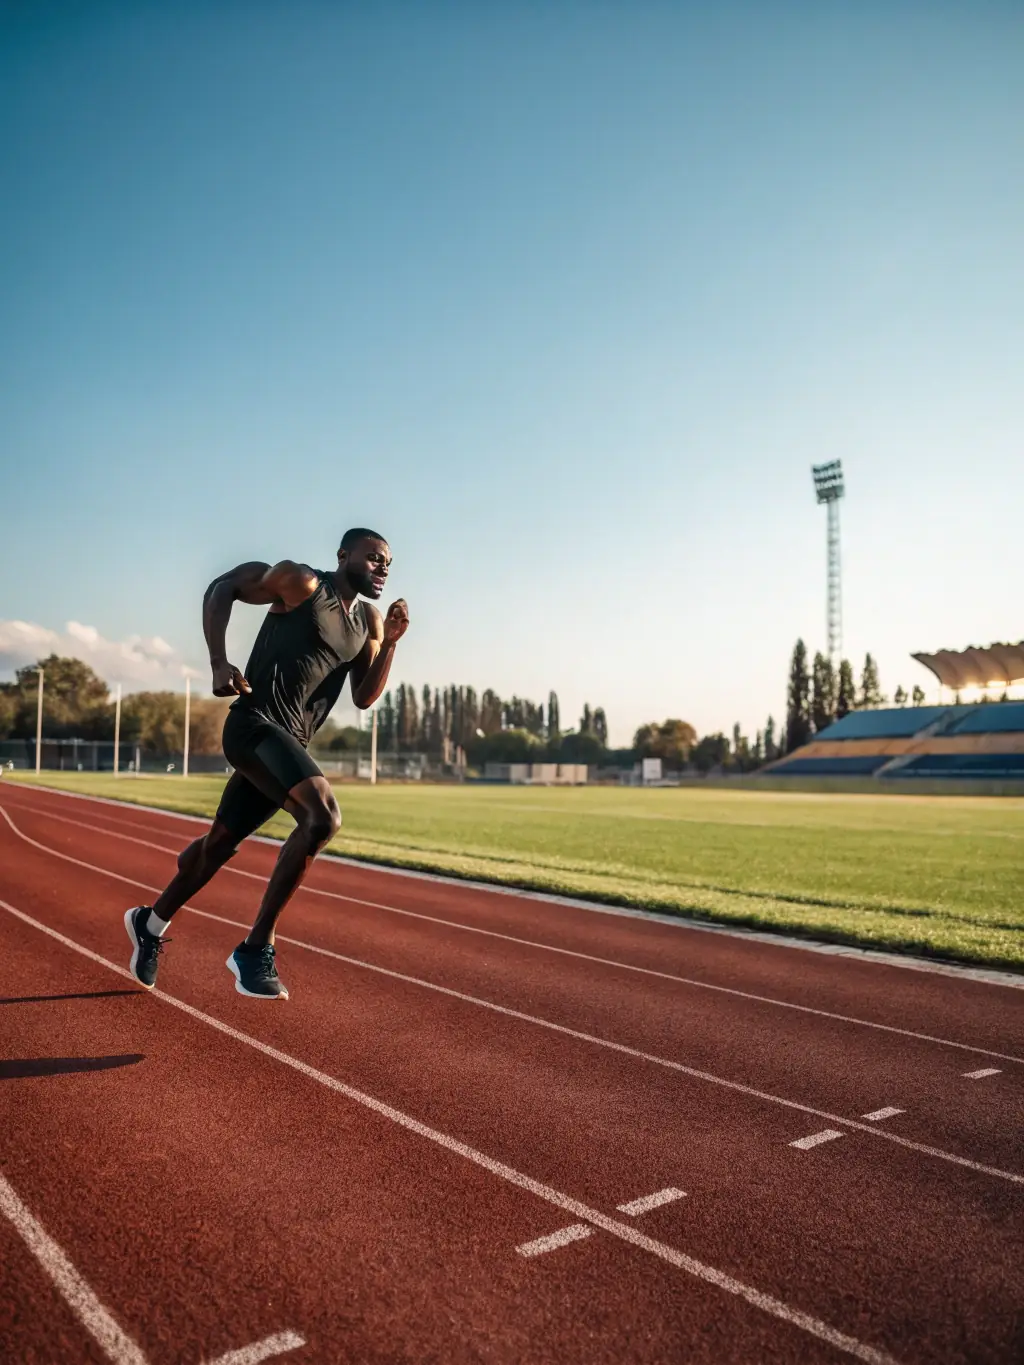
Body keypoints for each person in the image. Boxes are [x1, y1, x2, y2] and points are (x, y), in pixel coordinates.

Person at [125, 528, 409, 1000]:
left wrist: (393, 643)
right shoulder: (301, 583)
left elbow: (363, 697)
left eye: (388, 564)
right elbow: (224, 587)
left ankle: (149, 924)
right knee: (322, 818)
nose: (383, 568)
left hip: (287, 744)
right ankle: (256, 948)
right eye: (375, 558)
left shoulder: (370, 623)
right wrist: (218, 662)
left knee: (217, 847)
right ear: (344, 556)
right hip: (254, 726)